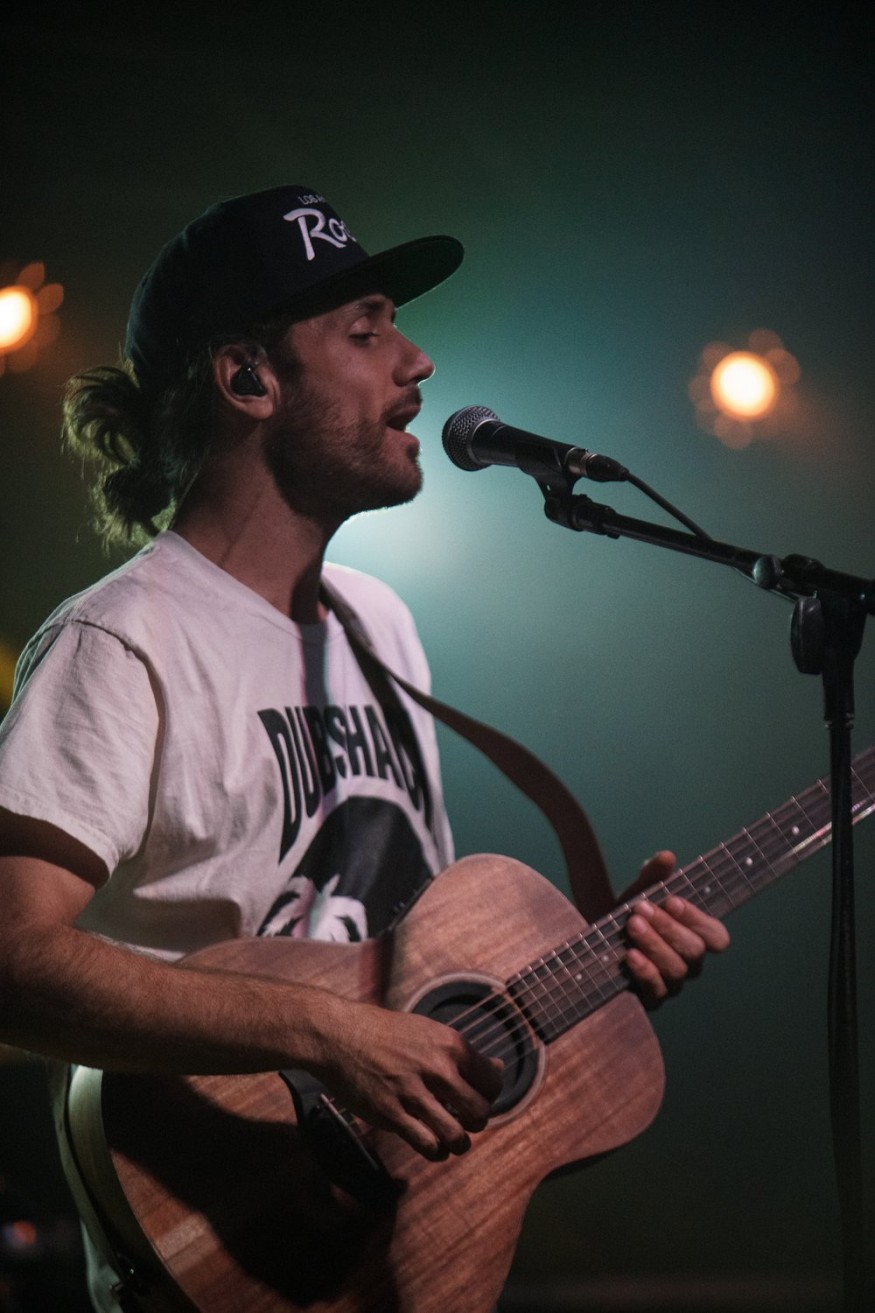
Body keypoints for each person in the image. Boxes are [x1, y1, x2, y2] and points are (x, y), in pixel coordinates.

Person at [0, 185, 729, 1310]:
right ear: (247, 379)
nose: (417, 361)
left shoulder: (377, 623)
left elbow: (414, 975)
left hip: (396, 1247)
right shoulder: (122, 639)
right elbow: (12, 958)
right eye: (367, 329)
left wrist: (592, 973)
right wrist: (327, 1033)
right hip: (230, 1240)